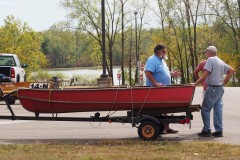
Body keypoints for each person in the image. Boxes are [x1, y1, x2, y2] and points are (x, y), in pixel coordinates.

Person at [194, 46, 235, 137]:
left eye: (206, 52)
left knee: (205, 109)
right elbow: (231, 71)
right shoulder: (220, 60)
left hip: (212, 88)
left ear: (209, 52)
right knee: (218, 110)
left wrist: (195, 84)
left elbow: (205, 74)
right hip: (220, 88)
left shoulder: (210, 60)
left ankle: (206, 130)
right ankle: (219, 130)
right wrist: (224, 82)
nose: (206, 54)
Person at [145, 44, 181, 134]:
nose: (166, 53)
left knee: (165, 109)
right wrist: (155, 83)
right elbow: (148, 72)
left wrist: (172, 74)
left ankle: (167, 128)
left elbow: (162, 72)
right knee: (156, 110)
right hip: (155, 90)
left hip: (163, 90)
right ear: (159, 52)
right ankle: (158, 128)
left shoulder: (161, 60)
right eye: (164, 51)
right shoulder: (152, 60)